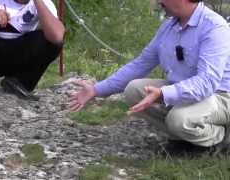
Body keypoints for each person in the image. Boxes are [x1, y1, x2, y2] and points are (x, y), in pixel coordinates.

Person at [69, 0, 230, 154]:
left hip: (220, 96)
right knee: (133, 90)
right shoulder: (169, 27)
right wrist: (96, 90)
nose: (159, 1)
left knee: (178, 119)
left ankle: (220, 138)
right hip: (185, 91)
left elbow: (207, 82)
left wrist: (164, 93)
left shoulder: (214, 27)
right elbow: (140, 64)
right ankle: (184, 137)